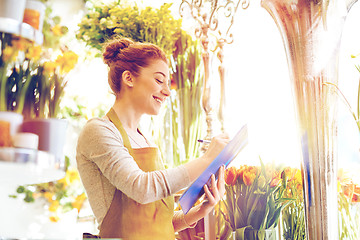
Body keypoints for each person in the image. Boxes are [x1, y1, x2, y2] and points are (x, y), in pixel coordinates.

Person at [76, 37, 229, 239]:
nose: (166, 91)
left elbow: (158, 223)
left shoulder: (145, 139)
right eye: (159, 80)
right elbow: (142, 188)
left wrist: (200, 210)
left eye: (167, 83)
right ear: (128, 78)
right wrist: (206, 160)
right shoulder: (99, 131)